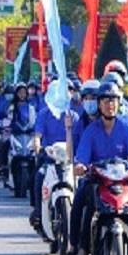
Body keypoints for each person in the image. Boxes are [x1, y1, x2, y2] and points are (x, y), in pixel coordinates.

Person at [69, 82, 128, 255]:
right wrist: (81, 166)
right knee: (83, 204)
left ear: (119, 103)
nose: (109, 104)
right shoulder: (91, 130)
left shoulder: (125, 128)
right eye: (105, 100)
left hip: (121, 182)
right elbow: (82, 155)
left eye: (113, 100)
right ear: (99, 104)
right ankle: (82, 253)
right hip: (97, 181)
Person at [29, 96, 78, 229]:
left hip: (69, 159)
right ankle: (38, 211)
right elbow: (37, 136)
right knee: (38, 176)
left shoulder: (72, 116)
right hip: (49, 158)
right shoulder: (43, 114)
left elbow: (79, 136)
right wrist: (37, 145)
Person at [72, 79, 101, 151]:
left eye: (93, 98)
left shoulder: (108, 122)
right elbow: (74, 149)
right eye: (86, 99)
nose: (89, 102)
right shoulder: (80, 124)